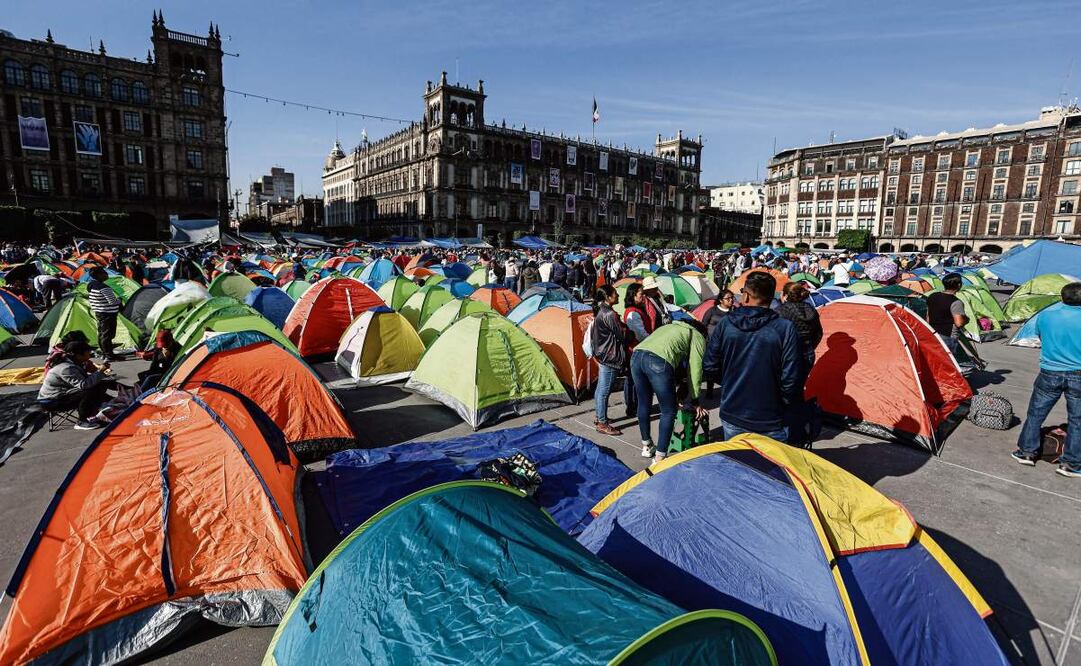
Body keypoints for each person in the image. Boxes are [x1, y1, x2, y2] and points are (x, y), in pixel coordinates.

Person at [703, 271, 802, 442]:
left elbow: (710, 365)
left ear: (746, 296)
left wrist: (731, 383)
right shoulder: (784, 328)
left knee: (738, 465)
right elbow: (791, 376)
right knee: (770, 467)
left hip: (736, 410)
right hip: (770, 414)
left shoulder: (727, 324)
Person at [1011, 282, 1081, 477]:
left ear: (1063, 296)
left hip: (1050, 370)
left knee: (1036, 414)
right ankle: (1071, 464)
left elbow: (1040, 337)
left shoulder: (1047, 315)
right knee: (1077, 420)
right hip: (1078, 373)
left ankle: (1026, 452)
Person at [630, 320, 707, 463]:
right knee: (669, 411)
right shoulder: (697, 336)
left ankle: (647, 446)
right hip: (657, 361)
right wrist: (695, 400)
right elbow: (695, 370)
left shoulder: (670, 327)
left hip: (636, 357)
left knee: (644, 403)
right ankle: (660, 457)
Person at [37, 340, 114, 429]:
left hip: (63, 394)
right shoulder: (66, 368)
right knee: (89, 391)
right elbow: (84, 385)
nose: (90, 354)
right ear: (78, 355)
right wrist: (100, 371)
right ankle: (82, 421)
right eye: (88, 352)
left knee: (99, 384)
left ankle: (118, 402)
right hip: (51, 401)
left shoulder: (76, 363)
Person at [591, 285, 630, 436]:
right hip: (610, 356)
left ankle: (599, 416)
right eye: (615, 294)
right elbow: (621, 335)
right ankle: (602, 422)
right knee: (604, 391)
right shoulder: (609, 315)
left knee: (601, 389)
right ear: (608, 297)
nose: (618, 296)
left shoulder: (602, 310)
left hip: (603, 354)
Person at [777, 282, 823, 380]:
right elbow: (818, 333)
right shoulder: (811, 310)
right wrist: (810, 346)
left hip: (786, 356)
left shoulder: (781, 311)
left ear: (785, 295)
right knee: (800, 384)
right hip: (808, 353)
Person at [701, 290, 735, 399]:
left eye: (732, 298)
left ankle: (726, 391)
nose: (731, 300)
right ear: (721, 300)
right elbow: (703, 325)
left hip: (727, 345)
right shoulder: (712, 311)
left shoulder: (734, 312)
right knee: (711, 368)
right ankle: (709, 390)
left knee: (726, 368)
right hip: (712, 345)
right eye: (728, 298)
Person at [926, 273, 968, 355]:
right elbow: (959, 323)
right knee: (949, 360)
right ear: (959, 285)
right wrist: (966, 319)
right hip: (948, 336)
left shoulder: (932, 296)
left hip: (933, 333)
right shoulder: (956, 302)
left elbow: (928, 316)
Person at [86, 267, 122, 361]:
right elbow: (112, 301)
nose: (106, 275)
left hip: (100, 312)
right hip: (108, 313)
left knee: (102, 333)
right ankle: (109, 355)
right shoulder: (104, 288)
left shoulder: (91, 285)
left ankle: (105, 353)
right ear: (99, 275)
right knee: (107, 335)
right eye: (104, 273)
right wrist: (120, 300)